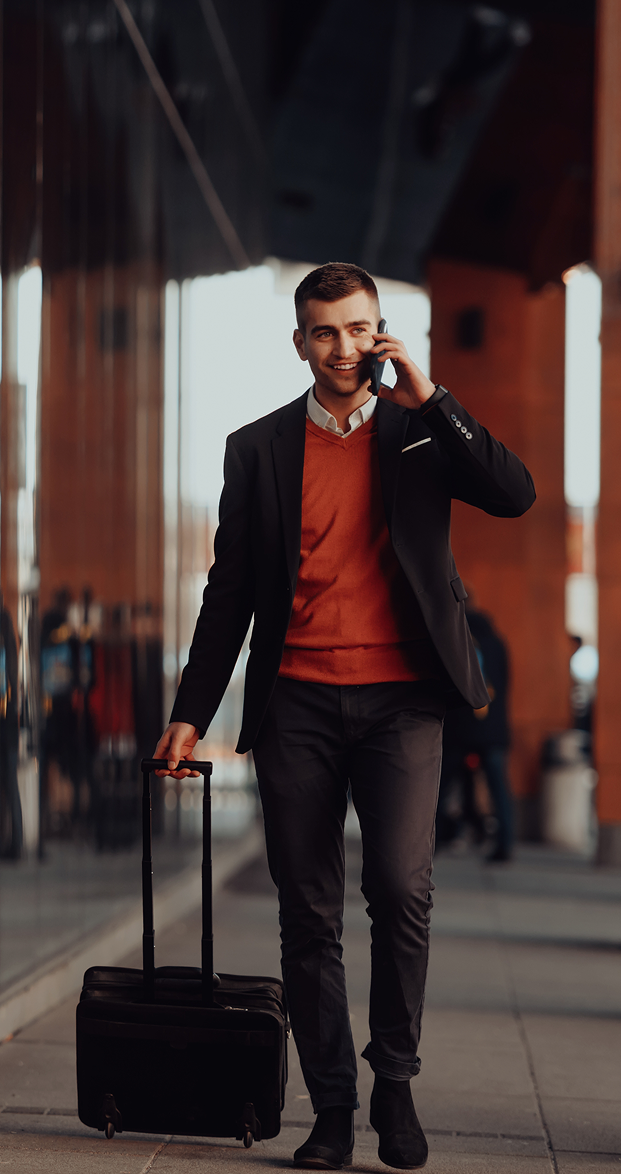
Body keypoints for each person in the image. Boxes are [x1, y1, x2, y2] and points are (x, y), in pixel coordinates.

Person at [153, 263, 533, 1171]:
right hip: (298, 707)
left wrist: (433, 394)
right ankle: (331, 1106)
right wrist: (190, 713)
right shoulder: (258, 448)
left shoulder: (420, 431)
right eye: (326, 332)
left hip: (404, 701)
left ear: (381, 333)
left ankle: (393, 1080)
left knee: (402, 889)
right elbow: (231, 592)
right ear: (300, 343)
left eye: (360, 329)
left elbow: (513, 492)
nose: (344, 348)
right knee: (307, 912)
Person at [436, 607, 515, 862]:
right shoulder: (498, 644)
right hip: (493, 731)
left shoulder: (461, 641)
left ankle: (431, 842)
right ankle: (505, 844)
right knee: (498, 789)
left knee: (439, 787)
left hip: (461, 729)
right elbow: (505, 685)